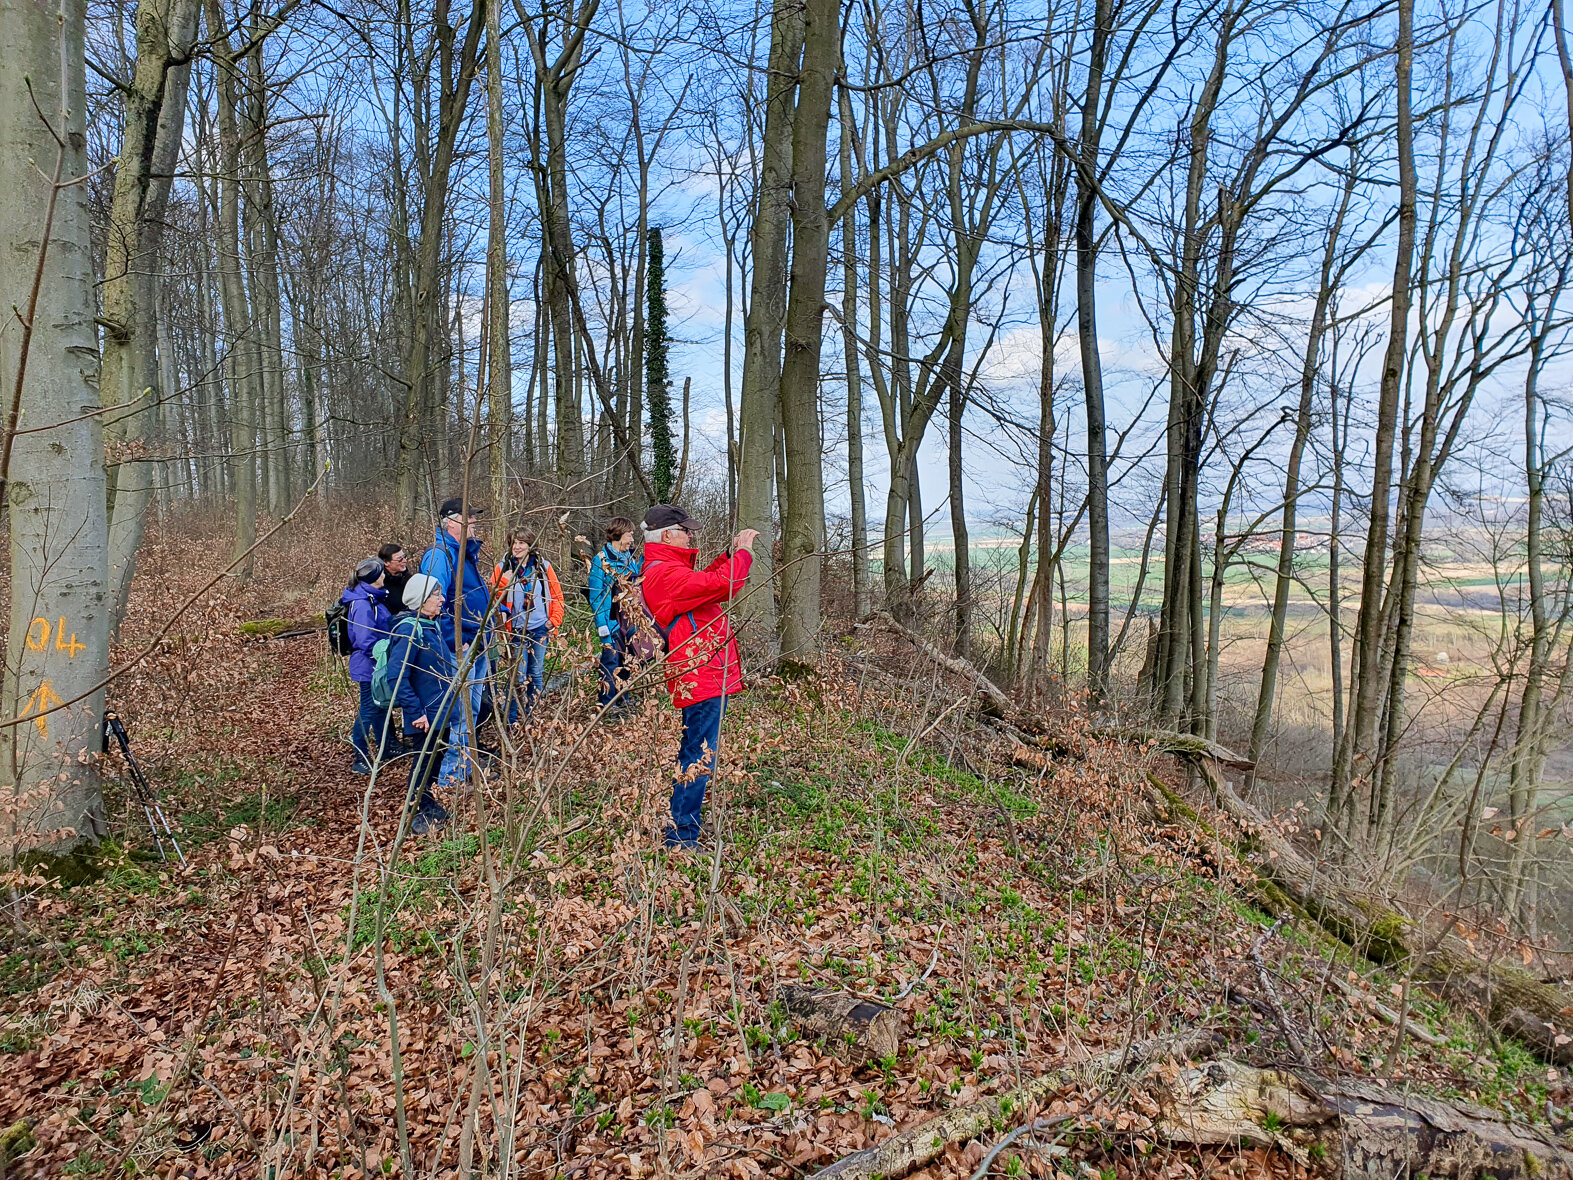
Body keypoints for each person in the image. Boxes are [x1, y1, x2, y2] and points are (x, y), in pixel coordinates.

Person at [638, 503, 757, 851]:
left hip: (703, 672)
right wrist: (743, 555)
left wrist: (728, 554)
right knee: (699, 754)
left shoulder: (669, 569)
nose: (691, 536)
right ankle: (681, 836)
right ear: (668, 535)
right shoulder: (663, 573)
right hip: (698, 674)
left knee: (698, 751)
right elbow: (723, 585)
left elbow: (705, 585)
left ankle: (682, 829)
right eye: (686, 530)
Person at [418, 496, 493, 788]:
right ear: (452, 521)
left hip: (476, 642)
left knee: (471, 711)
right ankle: (450, 778)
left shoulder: (462, 552)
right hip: (459, 647)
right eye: (469, 518)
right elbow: (431, 602)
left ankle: (463, 768)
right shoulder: (440, 556)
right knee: (460, 714)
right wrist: (453, 640)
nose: (474, 522)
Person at [386, 572, 453, 835]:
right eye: (436, 595)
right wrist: (416, 713)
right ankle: (417, 812)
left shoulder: (428, 625)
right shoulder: (409, 629)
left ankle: (427, 803)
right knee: (423, 764)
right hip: (424, 715)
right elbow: (397, 675)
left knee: (435, 759)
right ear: (421, 599)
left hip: (440, 711)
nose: (441, 599)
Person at [492, 530, 563, 721]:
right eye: (514, 543)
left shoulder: (543, 567)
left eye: (522, 543)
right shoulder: (502, 568)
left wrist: (554, 620)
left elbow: (556, 595)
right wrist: (506, 580)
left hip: (540, 628)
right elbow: (494, 599)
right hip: (515, 630)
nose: (517, 547)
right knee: (518, 676)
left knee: (536, 674)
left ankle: (534, 718)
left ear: (530, 545)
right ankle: (511, 720)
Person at [341, 556, 392, 774]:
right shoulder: (362, 604)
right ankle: (359, 758)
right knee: (369, 709)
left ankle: (385, 748)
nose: (384, 575)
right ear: (373, 578)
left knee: (380, 707)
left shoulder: (372, 598)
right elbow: (364, 639)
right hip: (368, 665)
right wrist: (383, 654)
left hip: (375, 663)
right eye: (381, 572)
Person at [587, 516, 641, 708]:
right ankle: (607, 704)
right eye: (629, 535)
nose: (632, 540)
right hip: (611, 622)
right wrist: (602, 626)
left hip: (630, 621)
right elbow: (595, 596)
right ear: (618, 535)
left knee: (628, 661)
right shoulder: (600, 561)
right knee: (610, 663)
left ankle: (622, 699)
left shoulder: (630, 559)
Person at [379, 543, 412, 614]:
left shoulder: (409, 579)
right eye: (400, 559)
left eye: (404, 557)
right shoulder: (380, 584)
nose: (405, 561)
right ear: (386, 562)